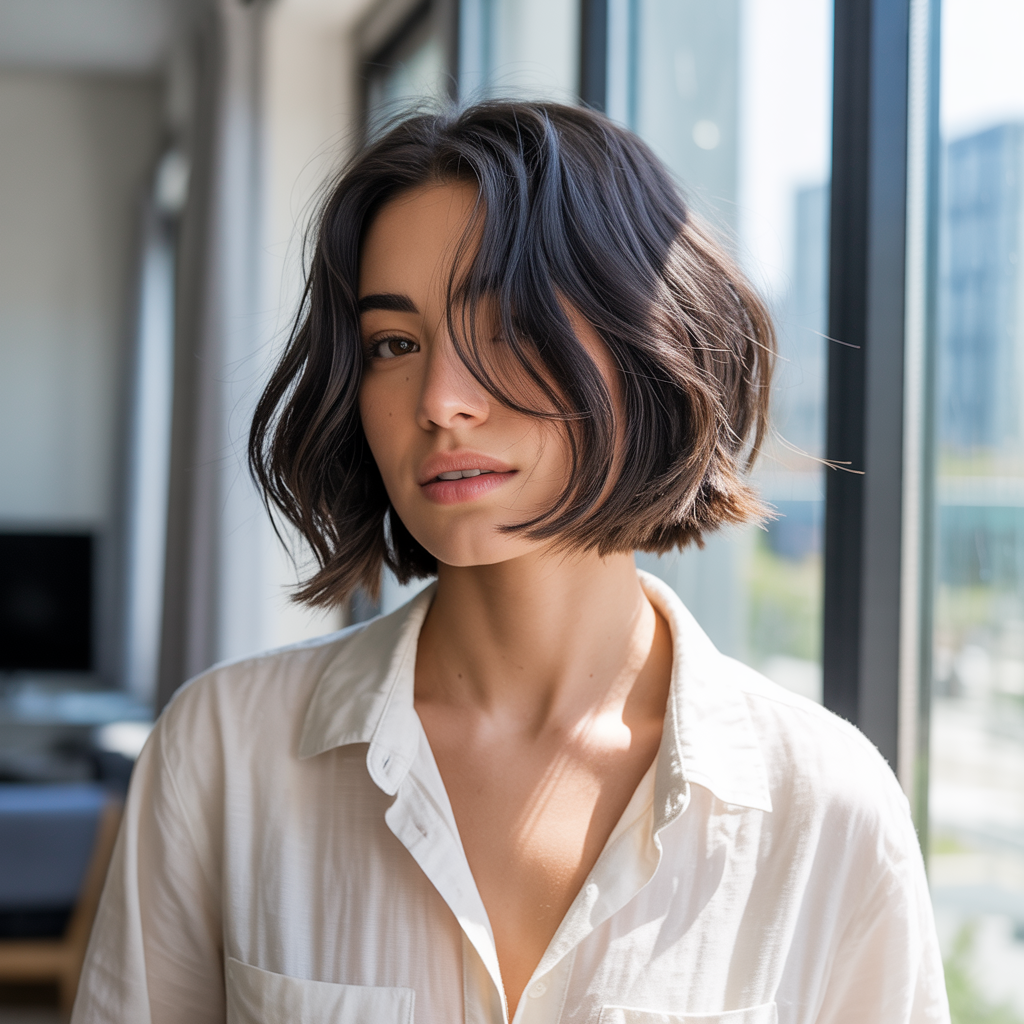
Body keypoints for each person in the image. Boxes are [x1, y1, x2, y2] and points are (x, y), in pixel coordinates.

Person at [72, 102, 949, 1024]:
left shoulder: (825, 806)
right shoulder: (223, 752)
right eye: (394, 345)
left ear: (648, 345)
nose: (443, 401)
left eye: (508, 329)